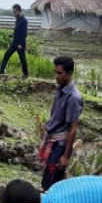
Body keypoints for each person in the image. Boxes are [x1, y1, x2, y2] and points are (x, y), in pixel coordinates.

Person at [39, 57, 82, 191]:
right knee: (48, 179)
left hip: (60, 145)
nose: (56, 76)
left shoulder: (73, 97)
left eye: (59, 73)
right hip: (53, 141)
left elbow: (73, 129)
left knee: (51, 183)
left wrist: (65, 156)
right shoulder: (61, 90)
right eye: (55, 72)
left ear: (69, 74)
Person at [0, 4, 29, 77]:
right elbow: (17, 31)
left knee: (22, 59)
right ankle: (1, 70)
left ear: (19, 11)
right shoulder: (17, 20)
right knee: (7, 54)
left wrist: (20, 44)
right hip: (14, 43)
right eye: (13, 12)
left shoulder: (24, 21)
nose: (14, 14)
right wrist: (12, 35)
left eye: (15, 12)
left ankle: (25, 74)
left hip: (20, 44)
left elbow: (24, 34)